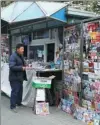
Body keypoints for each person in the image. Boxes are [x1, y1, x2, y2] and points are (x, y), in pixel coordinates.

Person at [9, 44, 27, 113]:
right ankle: (12, 106)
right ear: (17, 49)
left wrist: (25, 65)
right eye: (22, 49)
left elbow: (22, 64)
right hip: (14, 78)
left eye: (23, 49)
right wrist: (21, 68)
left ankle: (18, 103)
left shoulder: (20, 55)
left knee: (20, 91)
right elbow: (12, 67)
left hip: (20, 77)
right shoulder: (13, 56)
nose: (23, 50)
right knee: (15, 92)